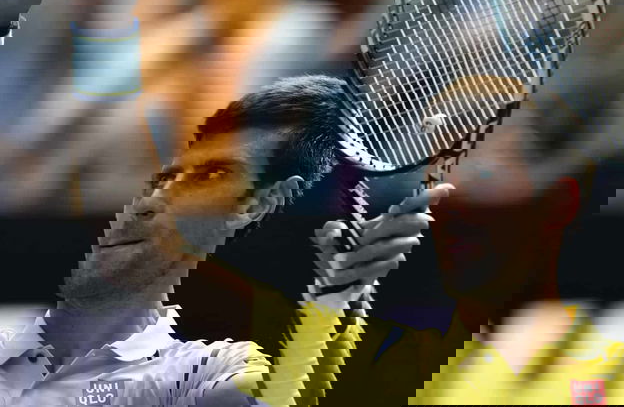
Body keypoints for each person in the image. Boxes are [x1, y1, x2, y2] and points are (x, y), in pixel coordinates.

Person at [0, 75, 452, 405]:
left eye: (212, 176)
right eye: (166, 177)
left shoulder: (201, 378)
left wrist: (323, 322)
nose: (150, 201)